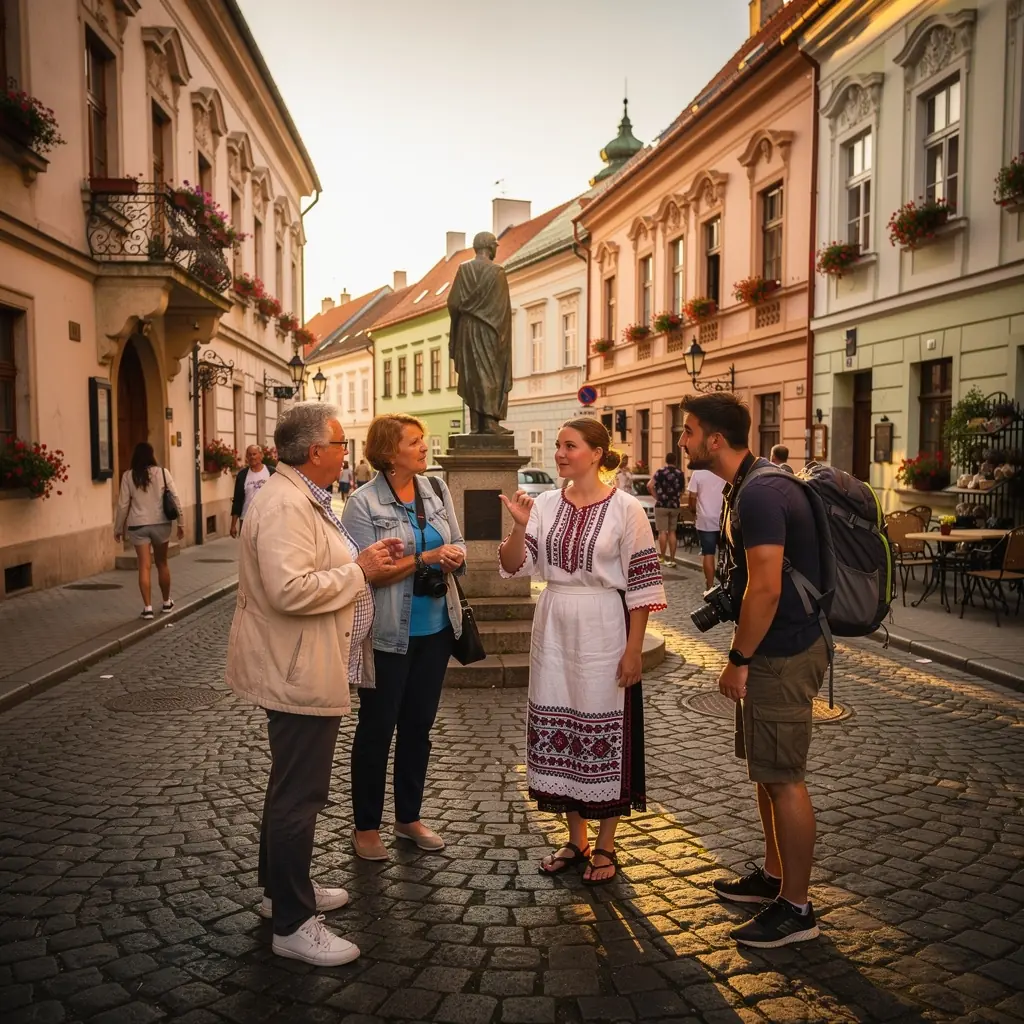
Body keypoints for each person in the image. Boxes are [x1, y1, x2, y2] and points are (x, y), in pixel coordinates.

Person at [225, 401, 402, 966]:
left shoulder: (302, 497)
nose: (347, 451)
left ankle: (282, 890)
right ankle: (294, 923)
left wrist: (364, 558)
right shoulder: (283, 504)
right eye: (341, 442)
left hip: (308, 660)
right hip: (296, 666)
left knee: (290, 788)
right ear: (315, 452)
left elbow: (321, 567)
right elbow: (290, 589)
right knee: (300, 795)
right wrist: (361, 571)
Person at [680, 392, 828, 949]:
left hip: (783, 650)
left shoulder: (761, 493)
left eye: (689, 431)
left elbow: (765, 588)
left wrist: (738, 659)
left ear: (714, 439)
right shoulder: (752, 483)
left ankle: (797, 907)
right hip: (777, 647)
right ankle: (773, 878)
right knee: (768, 771)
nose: (684, 441)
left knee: (785, 777)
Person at [498, 419, 666, 885]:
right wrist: (517, 528)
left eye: (569, 446)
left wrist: (634, 650)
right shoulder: (545, 505)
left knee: (603, 726)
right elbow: (515, 566)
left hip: (603, 625)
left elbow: (643, 585)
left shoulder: (626, 509)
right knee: (562, 727)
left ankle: (607, 846)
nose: (560, 453)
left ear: (596, 453)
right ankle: (576, 839)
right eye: (557, 446)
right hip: (554, 624)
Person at [342, 414, 468, 861]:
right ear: (389, 451)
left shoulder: (436, 489)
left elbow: (459, 542)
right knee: (377, 729)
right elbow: (363, 574)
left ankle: (408, 817)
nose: (423, 447)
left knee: (419, 728)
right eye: (414, 442)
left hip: (436, 630)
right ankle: (367, 826)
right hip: (388, 636)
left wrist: (453, 556)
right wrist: (426, 558)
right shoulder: (362, 503)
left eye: (422, 440)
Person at [447, 231, 513, 434]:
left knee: (472, 375)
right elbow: (503, 310)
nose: (495, 250)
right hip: (490, 331)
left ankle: (476, 425)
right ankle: (490, 423)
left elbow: (453, 302)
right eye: (495, 245)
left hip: (467, 330)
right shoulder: (497, 272)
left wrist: (460, 324)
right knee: (490, 375)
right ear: (489, 246)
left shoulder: (463, 269)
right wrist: (502, 335)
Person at [114, 442, 184, 619]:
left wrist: (118, 528)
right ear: (151, 455)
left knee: (144, 566)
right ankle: (167, 602)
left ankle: (147, 608)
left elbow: (123, 505)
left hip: (138, 525)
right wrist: (181, 522)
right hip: (161, 523)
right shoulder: (162, 472)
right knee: (162, 563)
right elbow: (175, 497)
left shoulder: (128, 476)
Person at [687, 467, 727, 589]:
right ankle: (726, 584)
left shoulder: (698, 473)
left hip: (705, 520)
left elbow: (692, 498)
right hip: (723, 518)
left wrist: (694, 512)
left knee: (708, 553)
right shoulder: (723, 471)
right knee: (725, 553)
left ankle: (709, 586)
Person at [648, 451, 685, 568]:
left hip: (662, 505)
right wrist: (677, 497)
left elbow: (649, 485)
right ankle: (673, 559)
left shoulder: (660, 472)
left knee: (662, 531)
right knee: (672, 532)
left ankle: (663, 557)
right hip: (674, 505)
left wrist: (656, 496)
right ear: (675, 461)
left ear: (666, 460)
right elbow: (683, 489)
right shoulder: (680, 473)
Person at [230, 445, 274, 538]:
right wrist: (233, 525)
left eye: (254, 454)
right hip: (246, 520)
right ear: (247, 457)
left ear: (261, 455)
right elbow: (237, 500)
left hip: (267, 520)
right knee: (247, 551)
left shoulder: (271, 472)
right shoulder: (242, 475)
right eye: (249, 455)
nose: (252, 457)